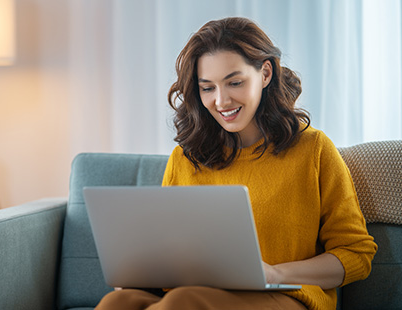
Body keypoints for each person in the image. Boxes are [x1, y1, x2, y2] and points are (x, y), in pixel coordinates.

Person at [95, 17, 377, 310]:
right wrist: (139, 271)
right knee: (119, 301)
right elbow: (168, 250)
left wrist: (275, 273)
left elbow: (356, 253)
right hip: (196, 294)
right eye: (207, 88)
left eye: (235, 83)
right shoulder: (185, 157)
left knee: (184, 300)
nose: (221, 101)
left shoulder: (313, 149)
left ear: (265, 74)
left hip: (284, 298)